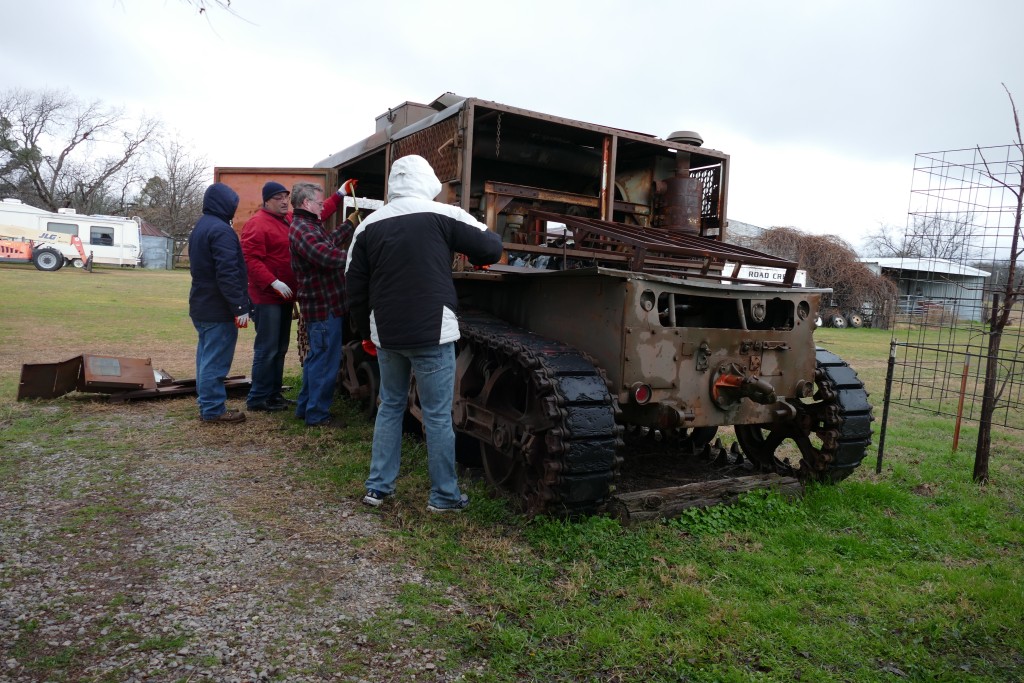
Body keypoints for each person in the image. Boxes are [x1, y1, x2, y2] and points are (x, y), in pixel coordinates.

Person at [345, 155, 503, 512]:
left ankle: (378, 489)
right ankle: (444, 496)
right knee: (435, 415)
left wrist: (365, 329)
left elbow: (354, 286)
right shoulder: (444, 214)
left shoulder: (367, 226)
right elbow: (491, 247)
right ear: (427, 182)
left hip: (387, 333)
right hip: (434, 332)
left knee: (390, 407)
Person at [288, 180, 358, 427]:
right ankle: (317, 415)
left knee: (316, 359)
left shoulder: (308, 225)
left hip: (323, 305)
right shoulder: (302, 228)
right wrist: (359, 258)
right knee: (325, 362)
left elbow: (327, 242)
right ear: (306, 203)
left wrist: (349, 225)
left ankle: (305, 407)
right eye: (319, 203)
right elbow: (325, 255)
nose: (322, 207)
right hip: (323, 306)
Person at [188, 182, 249, 424]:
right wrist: (240, 306)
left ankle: (207, 402)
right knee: (215, 360)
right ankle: (212, 409)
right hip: (218, 308)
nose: (235, 208)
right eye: (233, 203)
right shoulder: (221, 230)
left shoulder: (201, 227)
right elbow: (227, 273)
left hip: (202, 304)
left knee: (205, 357)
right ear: (225, 204)